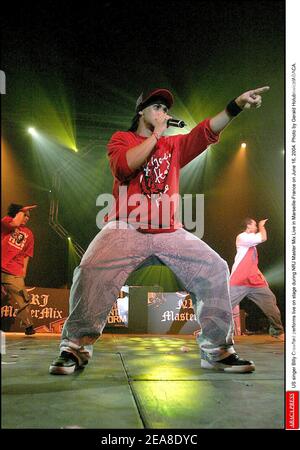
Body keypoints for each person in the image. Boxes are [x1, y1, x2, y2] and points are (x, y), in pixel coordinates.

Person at [49, 85, 270, 375]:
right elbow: (123, 167)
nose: (163, 113)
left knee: (214, 267)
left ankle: (217, 350)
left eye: (166, 109)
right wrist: (155, 136)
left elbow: (205, 131)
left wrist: (236, 105)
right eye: (157, 107)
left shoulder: (174, 146)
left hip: (168, 231)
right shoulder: (122, 139)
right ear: (141, 111)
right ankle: (74, 349)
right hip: (126, 227)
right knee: (90, 269)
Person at [230, 218, 284, 340]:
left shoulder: (252, 246)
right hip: (239, 281)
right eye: (254, 225)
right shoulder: (242, 237)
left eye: (256, 225)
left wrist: (262, 277)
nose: (255, 227)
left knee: (270, 301)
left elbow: (252, 264)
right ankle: (209, 331)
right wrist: (262, 226)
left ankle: (277, 331)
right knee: (225, 306)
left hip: (255, 282)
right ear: (248, 226)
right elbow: (263, 237)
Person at [1, 203, 37, 335]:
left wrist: (24, 271)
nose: (27, 218)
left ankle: (28, 326)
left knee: (23, 298)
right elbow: (14, 224)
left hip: (14, 272)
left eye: (28, 216)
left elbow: (27, 254)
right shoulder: (6, 222)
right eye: (25, 215)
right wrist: (22, 210)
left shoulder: (29, 234)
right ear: (17, 213)